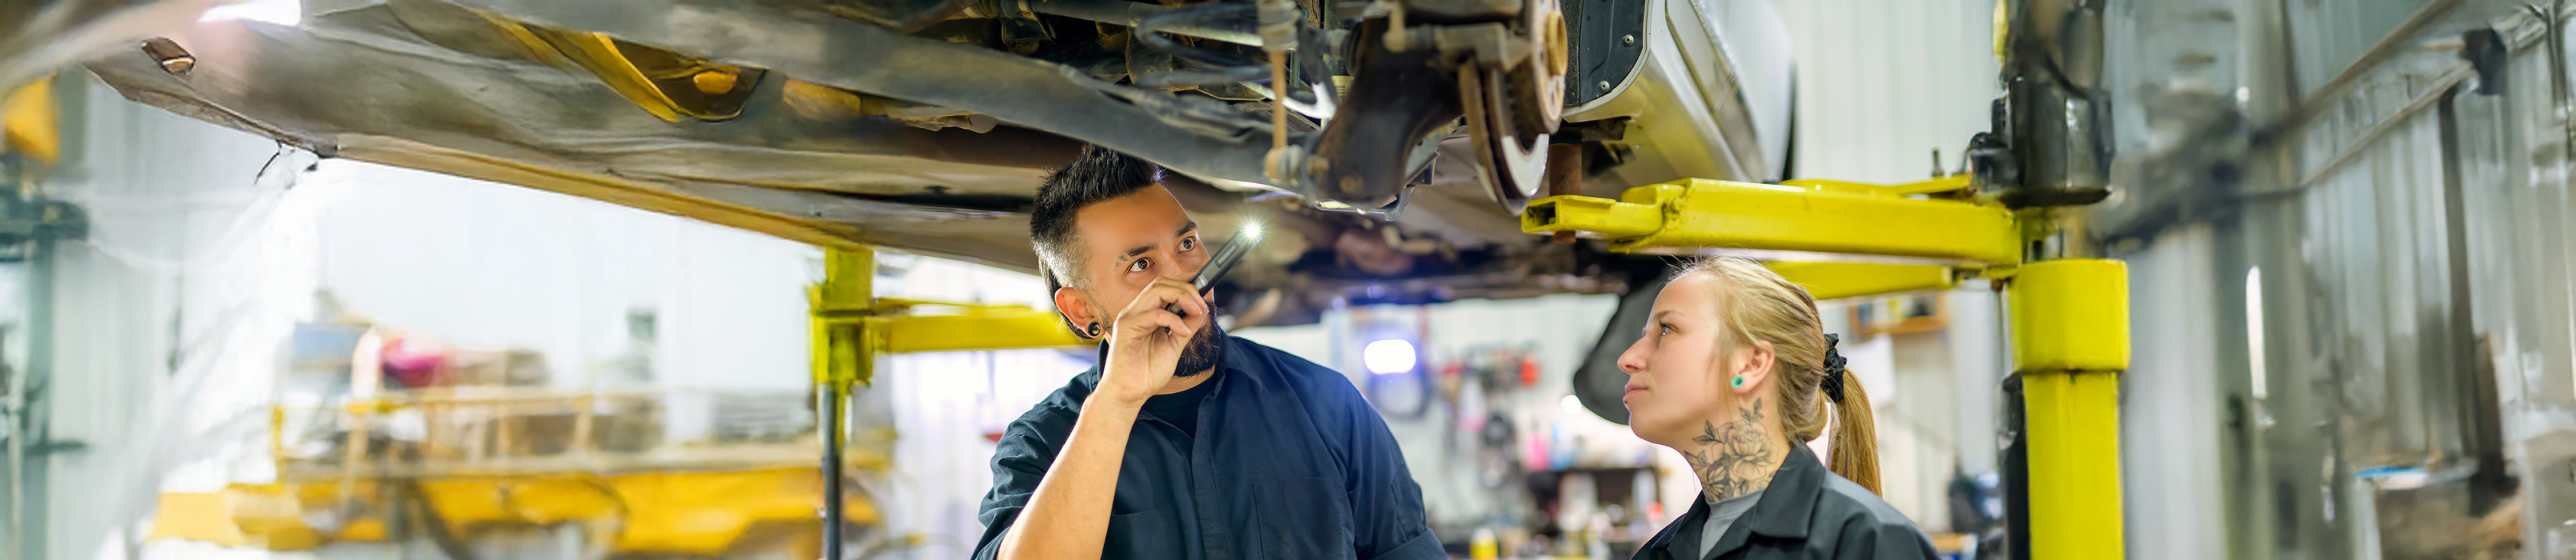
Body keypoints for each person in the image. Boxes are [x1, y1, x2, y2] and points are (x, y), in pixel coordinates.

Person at [971, 145, 1444, 560]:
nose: (1188, 277)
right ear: (1080, 309)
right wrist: (1116, 404)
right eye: (1141, 264)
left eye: (1188, 243)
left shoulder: (1328, 404)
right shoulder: (1041, 444)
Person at [1615, 257, 1939, 559]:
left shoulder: (1869, 543)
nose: (1628, 359)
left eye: (1666, 330)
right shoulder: (1657, 554)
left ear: (1751, 364)